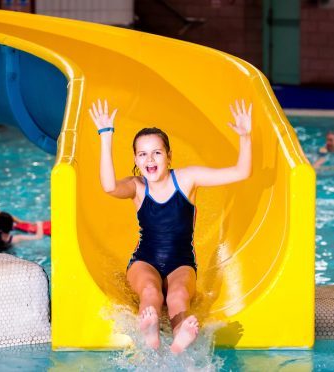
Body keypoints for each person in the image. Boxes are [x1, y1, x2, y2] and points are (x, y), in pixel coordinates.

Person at [89, 99, 252, 353]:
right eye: (142, 154)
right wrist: (105, 136)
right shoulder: (137, 186)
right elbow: (109, 186)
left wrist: (245, 136)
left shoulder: (187, 179)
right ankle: (150, 332)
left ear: (168, 155)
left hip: (182, 263)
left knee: (177, 296)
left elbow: (241, 172)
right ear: (136, 158)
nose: (150, 159)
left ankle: (180, 341)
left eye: (157, 152)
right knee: (151, 292)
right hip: (144, 260)